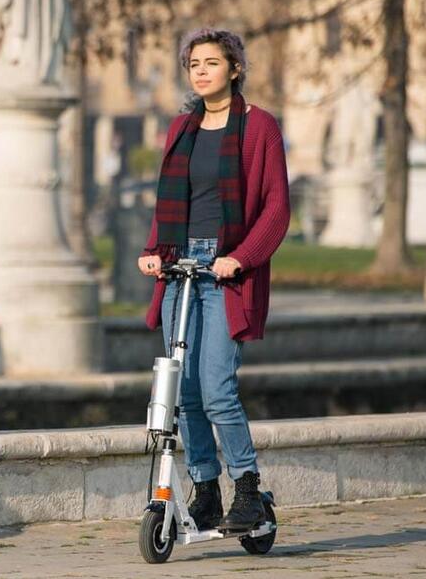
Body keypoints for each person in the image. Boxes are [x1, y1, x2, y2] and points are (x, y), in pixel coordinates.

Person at [137, 27, 290, 532]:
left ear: (235, 68)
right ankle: (206, 492)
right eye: (193, 64)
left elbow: (275, 209)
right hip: (180, 270)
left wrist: (241, 258)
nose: (201, 71)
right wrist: (153, 252)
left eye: (211, 62)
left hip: (226, 272)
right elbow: (168, 205)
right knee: (186, 393)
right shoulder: (180, 128)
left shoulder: (258, 126)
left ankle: (248, 491)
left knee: (218, 388)